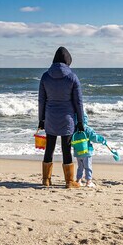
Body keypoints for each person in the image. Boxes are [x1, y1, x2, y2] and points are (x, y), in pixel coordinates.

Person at [38, 46, 84, 188]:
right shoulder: (72, 77)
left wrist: (41, 119)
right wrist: (81, 121)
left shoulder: (45, 76)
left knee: (49, 149)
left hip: (50, 117)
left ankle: (46, 180)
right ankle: (69, 181)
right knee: (66, 149)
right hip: (67, 118)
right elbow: (78, 101)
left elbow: (41, 100)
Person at [75, 113, 106, 188]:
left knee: (80, 167)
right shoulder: (87, 129)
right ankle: (88, 181)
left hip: (78, 152)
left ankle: (78, 180)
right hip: (87, 151)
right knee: (88, 166)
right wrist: (102, 139)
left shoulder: (74, 129)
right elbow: (94, 138)